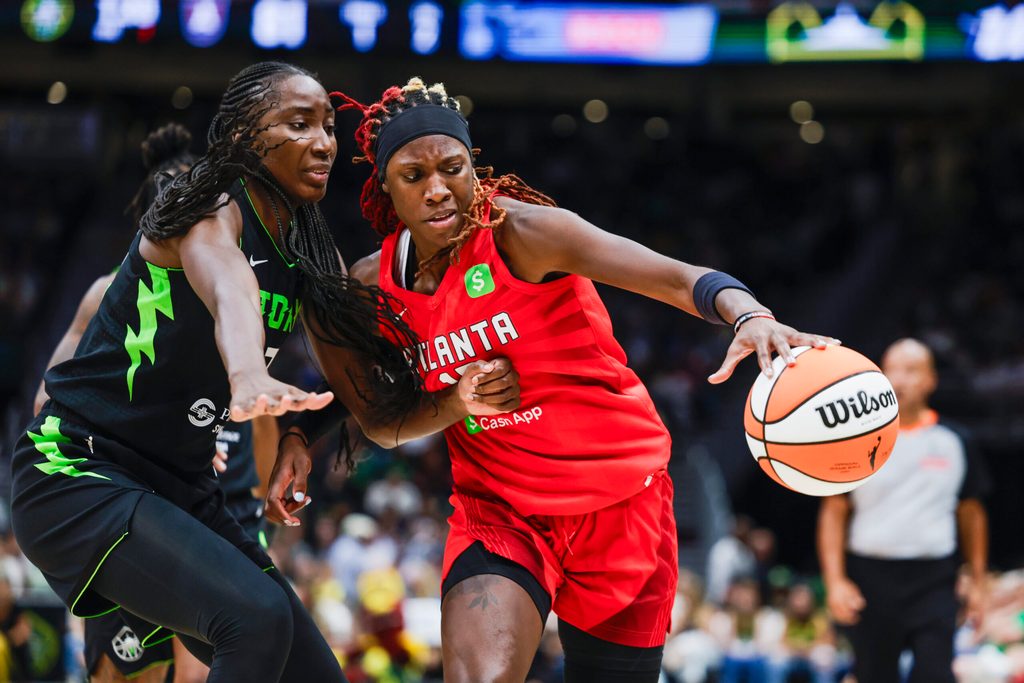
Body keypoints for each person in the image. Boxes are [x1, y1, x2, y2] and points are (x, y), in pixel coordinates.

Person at [268, 77, 837, 682]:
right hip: (502, 510)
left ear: (474, 172)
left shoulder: (524, 234)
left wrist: (748, 313)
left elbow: (673, 276)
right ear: (386, 188)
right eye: (414, 176)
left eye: (452, 168)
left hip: (621, 500)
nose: (438, 189)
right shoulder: (372, 286)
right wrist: (302, 434)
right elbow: (372, 397)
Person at [11, 61, 514, 682]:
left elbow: (374, 410)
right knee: (251, 621)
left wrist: (311, 433)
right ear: (248, 137)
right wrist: (247, 372)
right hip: (79, 471)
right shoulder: (208, 203)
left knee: (311, 670)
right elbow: (230, 287)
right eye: (299, 124)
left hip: (180, 487)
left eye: (328, 125)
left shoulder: (309, 246)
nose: (324, 141)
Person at [31, 123, 280, 683]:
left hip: (221, 504)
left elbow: (265, 422)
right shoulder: (110, 291)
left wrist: (259, 495)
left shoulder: (243, 291)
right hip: (133, 493)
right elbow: (49, 399)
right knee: (122, 672)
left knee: (212, 660)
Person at [817, 337, 990, 683]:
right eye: (891, 369)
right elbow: (834, 512)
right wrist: (835, 581)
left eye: (911, 370)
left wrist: (978, 578)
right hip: (870, 578)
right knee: (872, 676)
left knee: (935, 674)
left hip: (934, 579)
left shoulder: (955, 441)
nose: (898, 379)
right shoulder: (857, 440)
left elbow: (972, 514)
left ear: (930, 380)